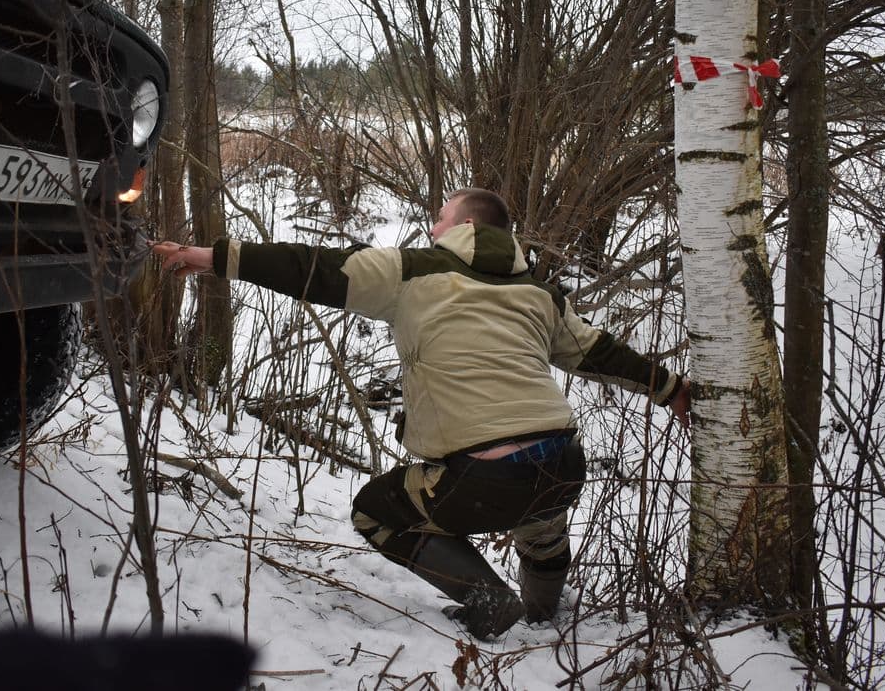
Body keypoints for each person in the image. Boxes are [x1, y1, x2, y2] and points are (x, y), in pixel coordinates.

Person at [152, 187, 690, 640]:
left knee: (373, 512)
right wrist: (671, 390)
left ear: (464, 225)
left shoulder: (410, 270)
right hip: (565, 465)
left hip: (482, 477)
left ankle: (489, 599)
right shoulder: (539, 294)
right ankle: (545, 619)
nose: (432, 226)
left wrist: (212, 257)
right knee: (541, 509)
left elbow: (313, 267)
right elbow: (602, 354)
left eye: (440, 216)